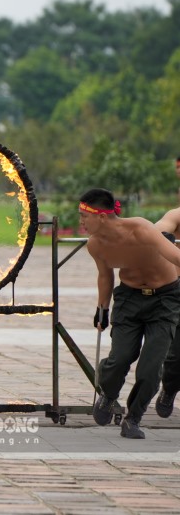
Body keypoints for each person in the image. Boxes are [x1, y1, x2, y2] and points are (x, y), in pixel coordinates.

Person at [79, 188, 180, 439]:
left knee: (150, 369)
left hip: (165, 300)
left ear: (102, 216)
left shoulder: (141, 229)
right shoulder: (95, 245)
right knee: (119, 359)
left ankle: (133, 418)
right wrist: (102, 308)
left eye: (84, 216)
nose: (80, 221)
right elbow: (105, 275)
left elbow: (174, 255)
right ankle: (108, 394)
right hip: (129, 299)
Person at [153, 208, 180, 419]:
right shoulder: (176, 215)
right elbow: (158, 230)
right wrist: (162, 237)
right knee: (175, 357)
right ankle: (170, 388)